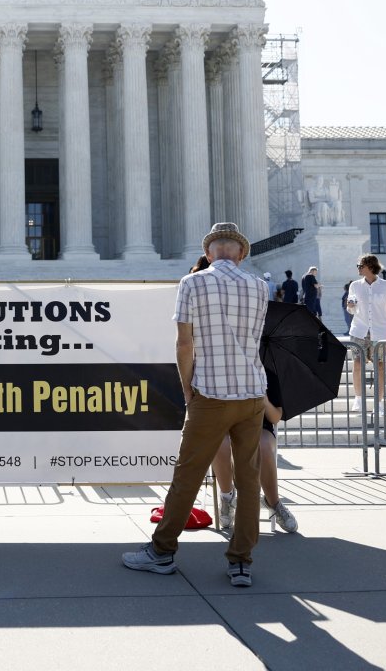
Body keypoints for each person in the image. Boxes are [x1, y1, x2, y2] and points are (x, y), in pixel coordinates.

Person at [122, 223, 268, 588]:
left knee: (187, 475)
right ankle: (241, 562)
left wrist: (187, 390)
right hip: (251, 393)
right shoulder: (260, 286)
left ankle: (162, 551)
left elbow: (184, 345)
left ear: (209, 252)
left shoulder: (193, 283)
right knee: (249, 480)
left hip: (212, 393)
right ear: (241, 253)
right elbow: (253, 339)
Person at [212, 398, 297, 533]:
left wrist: (263, 398)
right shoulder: (220, 376)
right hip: (225, 423)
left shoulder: (268, 376)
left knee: (262, 446)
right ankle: (226, 497)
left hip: (260, 426)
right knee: (218, 443)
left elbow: (275, 417)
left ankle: (274, 503)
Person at [345, 254, 386, 412]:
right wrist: (350, 305)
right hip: (359, 331)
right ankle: (358, 399)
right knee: (357, 364)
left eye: (360, 266)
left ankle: (379, 403)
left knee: (380, 367)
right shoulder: (355, 286)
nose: (358, 268)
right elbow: (351, 309)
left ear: (370, 267)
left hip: (380, 332)